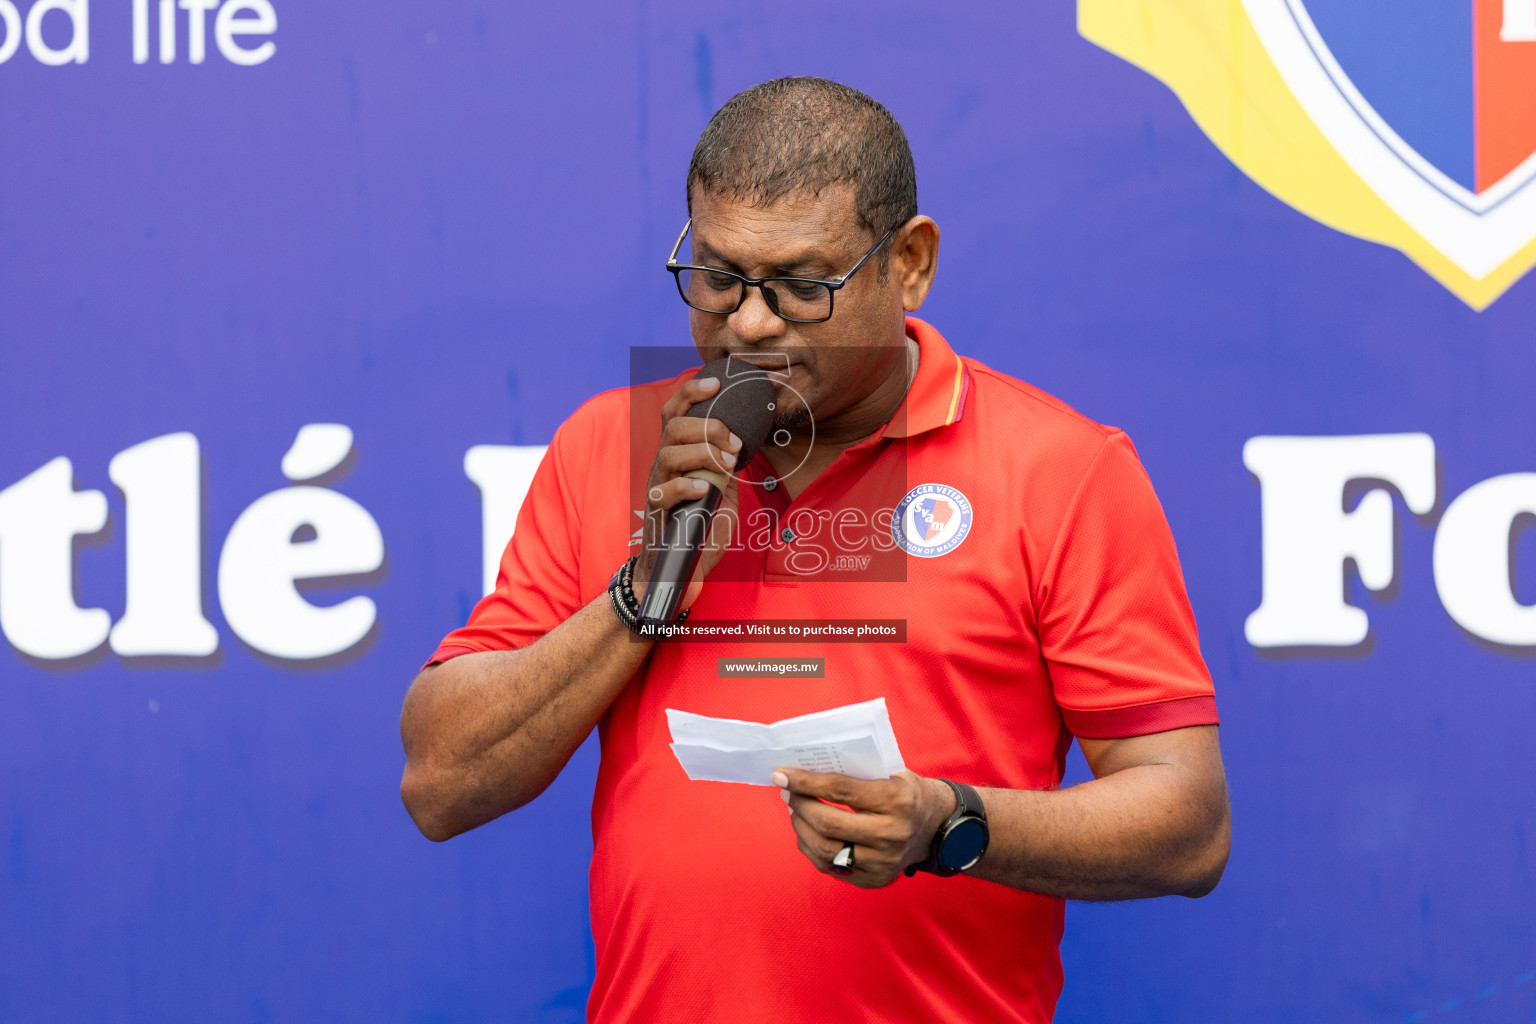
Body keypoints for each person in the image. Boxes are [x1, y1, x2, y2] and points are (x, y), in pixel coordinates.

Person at [399, 77, 1230, 1023]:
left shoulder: (1065, 471)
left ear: (909, 264)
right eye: (717, 277)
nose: (750, 322)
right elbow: (441, 780)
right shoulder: (610, 444)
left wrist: (947, 823)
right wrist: (650, 587)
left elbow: (1187, 822)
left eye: (803, 285)